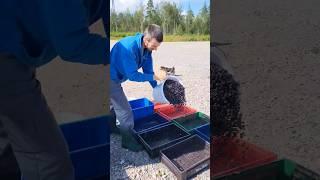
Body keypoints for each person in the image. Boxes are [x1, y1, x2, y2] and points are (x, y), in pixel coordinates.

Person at [0, 0, 109, 179]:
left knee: (9, 146)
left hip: (13, 43)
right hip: (5, 50)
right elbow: (72, 45)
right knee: (49, 166)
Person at [110, 24, 167, 152]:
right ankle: (128, 141)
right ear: (146, 40)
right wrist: (154, 76)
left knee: (111, 104)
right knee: (125, 112)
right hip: (109, 77)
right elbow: (133, 75)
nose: (155, 49)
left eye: (157, 47)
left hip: (115, 76)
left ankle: (111, 127)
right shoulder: (128, 48)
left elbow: (148, 71)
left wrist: (158, 88)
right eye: (154, 46)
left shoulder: (147, 50)